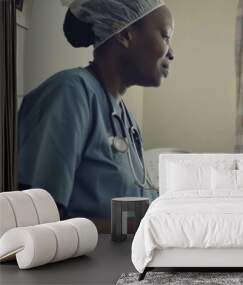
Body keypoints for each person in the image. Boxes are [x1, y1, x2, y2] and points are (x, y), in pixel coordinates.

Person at [18, 0, 174, 219]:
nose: (171, 53)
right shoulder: (69, 94)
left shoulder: (126, 120)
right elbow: (37, 218)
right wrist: (132, 229)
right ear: (125, 35)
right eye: (165, 36)